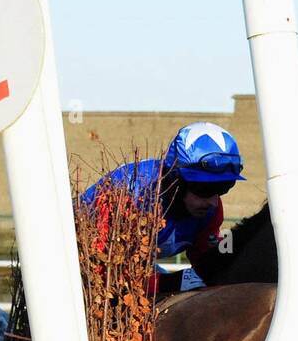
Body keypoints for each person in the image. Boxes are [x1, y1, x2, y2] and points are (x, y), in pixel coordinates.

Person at [81, 122, 247, 294]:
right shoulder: (126, 196)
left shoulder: (210, 210)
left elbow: (203, 266)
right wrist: (172, 282)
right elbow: (104, 273)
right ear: (176, 182)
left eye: (224, 187)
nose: (213, 202)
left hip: (136, 270)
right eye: (205, 189)